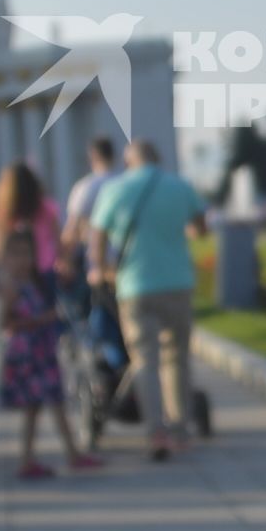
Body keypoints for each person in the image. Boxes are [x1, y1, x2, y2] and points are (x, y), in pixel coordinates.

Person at [88, 139, 209, 460]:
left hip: (135, 285)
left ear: (130, 161)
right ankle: (180, 428)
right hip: (178, 282)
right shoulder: (180, 186)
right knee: (177, 358)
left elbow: (97, 235)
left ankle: (156, 429)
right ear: (158, 159)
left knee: (145, 360)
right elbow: (200, 229)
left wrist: (100, 270)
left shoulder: (115, 190)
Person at [0, 230, 101, 479]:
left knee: (57, 403)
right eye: (17, 254)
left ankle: (70, 453)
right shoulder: (13, 288)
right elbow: (5, 324)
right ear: (6, 258)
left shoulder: (36, 283)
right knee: (34, 409)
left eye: (27, 254)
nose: (23, 260)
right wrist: (40, 319)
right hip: (27, 355)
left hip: (43, 352)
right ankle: (28, 459)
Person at [0, 164, 65, 296]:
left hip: (17, 271)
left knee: (22, 312)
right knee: (48, 308)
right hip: (46, 266)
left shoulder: (4, 210)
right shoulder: (46, 207)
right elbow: (58, 241)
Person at [60, 136, 119, 282]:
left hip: (96, 264)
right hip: (125, 263)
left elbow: (72, 229)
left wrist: (65, 260)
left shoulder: (85, 186)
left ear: (93, 156)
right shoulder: (125, 184)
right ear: (113, 156)